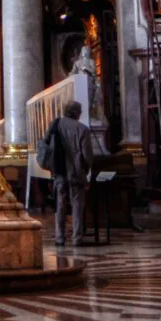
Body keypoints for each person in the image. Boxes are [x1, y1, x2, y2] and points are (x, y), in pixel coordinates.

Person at [43, 98, 95, 250]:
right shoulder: (82, 129)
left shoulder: (55, 124)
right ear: (77, 113)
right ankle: (77, 238)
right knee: (77, 205)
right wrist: (86, 169)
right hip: (76, 172)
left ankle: (59, 237)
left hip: (59, 171)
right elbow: (87, 155)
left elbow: (46, 144)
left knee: (60, 205)